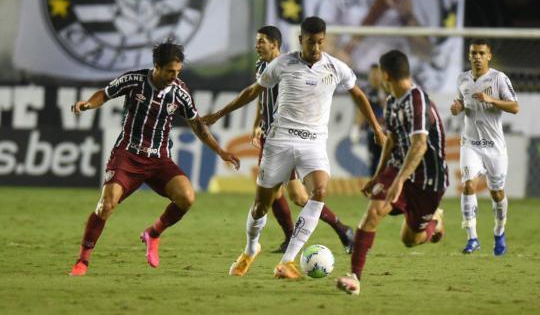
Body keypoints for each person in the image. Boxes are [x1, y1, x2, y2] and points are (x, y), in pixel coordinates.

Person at [202, 16, 386, 279]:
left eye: (321, 42)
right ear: (301, 40)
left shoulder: (336, 67)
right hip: (279, 141)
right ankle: (251, 249)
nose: (316, 48)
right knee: (260, 206)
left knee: (318, 192)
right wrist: (219, 114)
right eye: (311, 42)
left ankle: (288, 261)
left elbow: (357, 94)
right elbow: (255, 92)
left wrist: (377, 129)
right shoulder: (281, 64)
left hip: (313, 144)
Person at [68, 41, 240, 276]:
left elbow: (197, 125)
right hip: (128, 155)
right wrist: (88, 104)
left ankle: (153, 233)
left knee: (187, 197)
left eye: (178, 71)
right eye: (170, 71)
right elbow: (105, 94)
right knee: (105, 205)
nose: (174, 76)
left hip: (158, 159)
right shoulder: (134, 80)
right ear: (156, 66)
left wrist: (221, 151)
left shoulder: (180, 92)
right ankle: (82, 261)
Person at [336, 49, 448, 296]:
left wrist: (399, 181)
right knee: (372, 213)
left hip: (427, 179)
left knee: (410, 240)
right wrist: (379, 175)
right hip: (399, 167)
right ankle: (355, 277)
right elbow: (392, 140)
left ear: (385, 75)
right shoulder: (392, 102)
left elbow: (419, 144)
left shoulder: (417, 99)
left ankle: (435, 221)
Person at [251, 25, 355, 255]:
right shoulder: (262, 67)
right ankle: (293, 236)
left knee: (298, 196)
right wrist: (257, 125)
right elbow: (262, 99)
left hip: (288, 139)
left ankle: (341, 230)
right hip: (272, 138)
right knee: (279, 194)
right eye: (257, 41)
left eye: (262, 41)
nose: (257, 45)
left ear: (275, 45)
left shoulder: (287, 68)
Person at [450, 39, 519, 256]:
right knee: (468, 185)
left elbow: (515, 106)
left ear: (489, 56)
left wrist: (492, 99)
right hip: (470, 144)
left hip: (495, 147)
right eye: (473, 53)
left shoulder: (499, 79)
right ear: (469, 56)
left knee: (496, 192)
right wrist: (457, 107)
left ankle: (499, 232)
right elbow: (460, 102)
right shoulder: (463, 78)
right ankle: (472, 238)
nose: (477, 57)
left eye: (481, 53)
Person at [352, 64, 386, 176]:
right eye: (373, 74)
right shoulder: (365, 91)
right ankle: (375, 188)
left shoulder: (389, 89)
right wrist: (356, 127)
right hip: (373, 132)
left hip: (389, 133)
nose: (375, 77)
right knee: (374, 161)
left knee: (390, 162)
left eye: (377, 74)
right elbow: (361, 111)